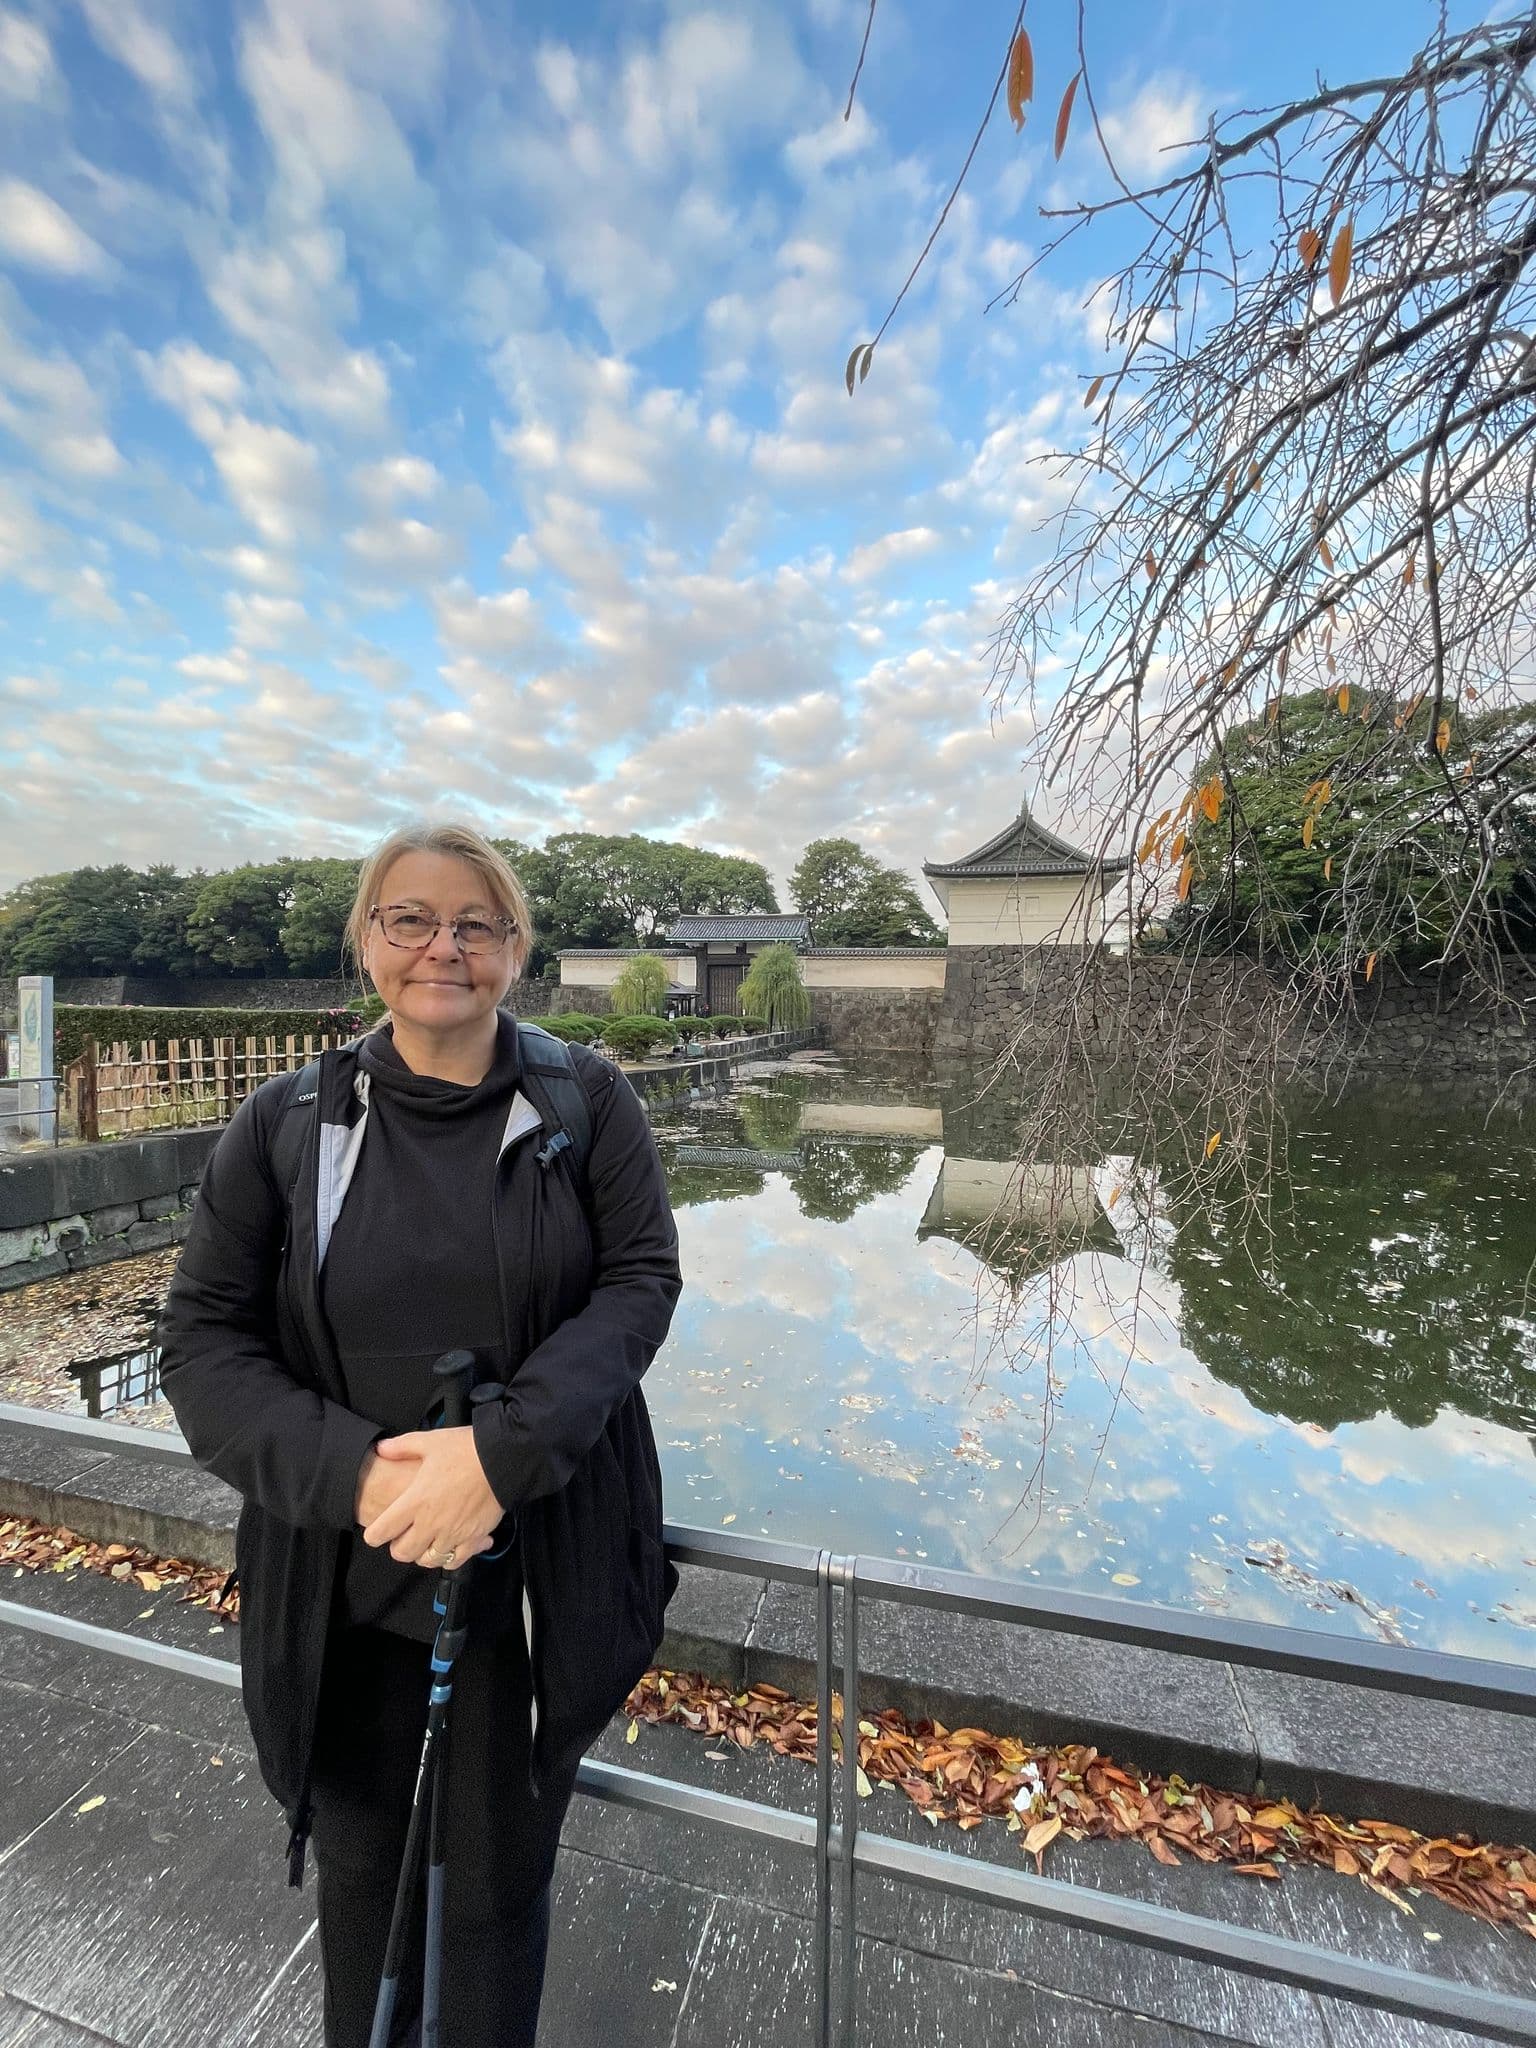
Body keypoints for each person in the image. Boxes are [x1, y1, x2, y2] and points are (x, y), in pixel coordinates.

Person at [157, 821, 682, 2048]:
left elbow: (638, 1285)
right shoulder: (289, 1123)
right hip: (342, 1592)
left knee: (498, 1908)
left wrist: (497, 1458)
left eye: (476, 924)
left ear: (514, 950)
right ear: (368, 939)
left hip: (528, 1587)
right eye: (410, 918)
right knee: (363, 1894)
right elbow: (204, 1342)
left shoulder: (586, 1101)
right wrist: (365, 1478)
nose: (442, 945)